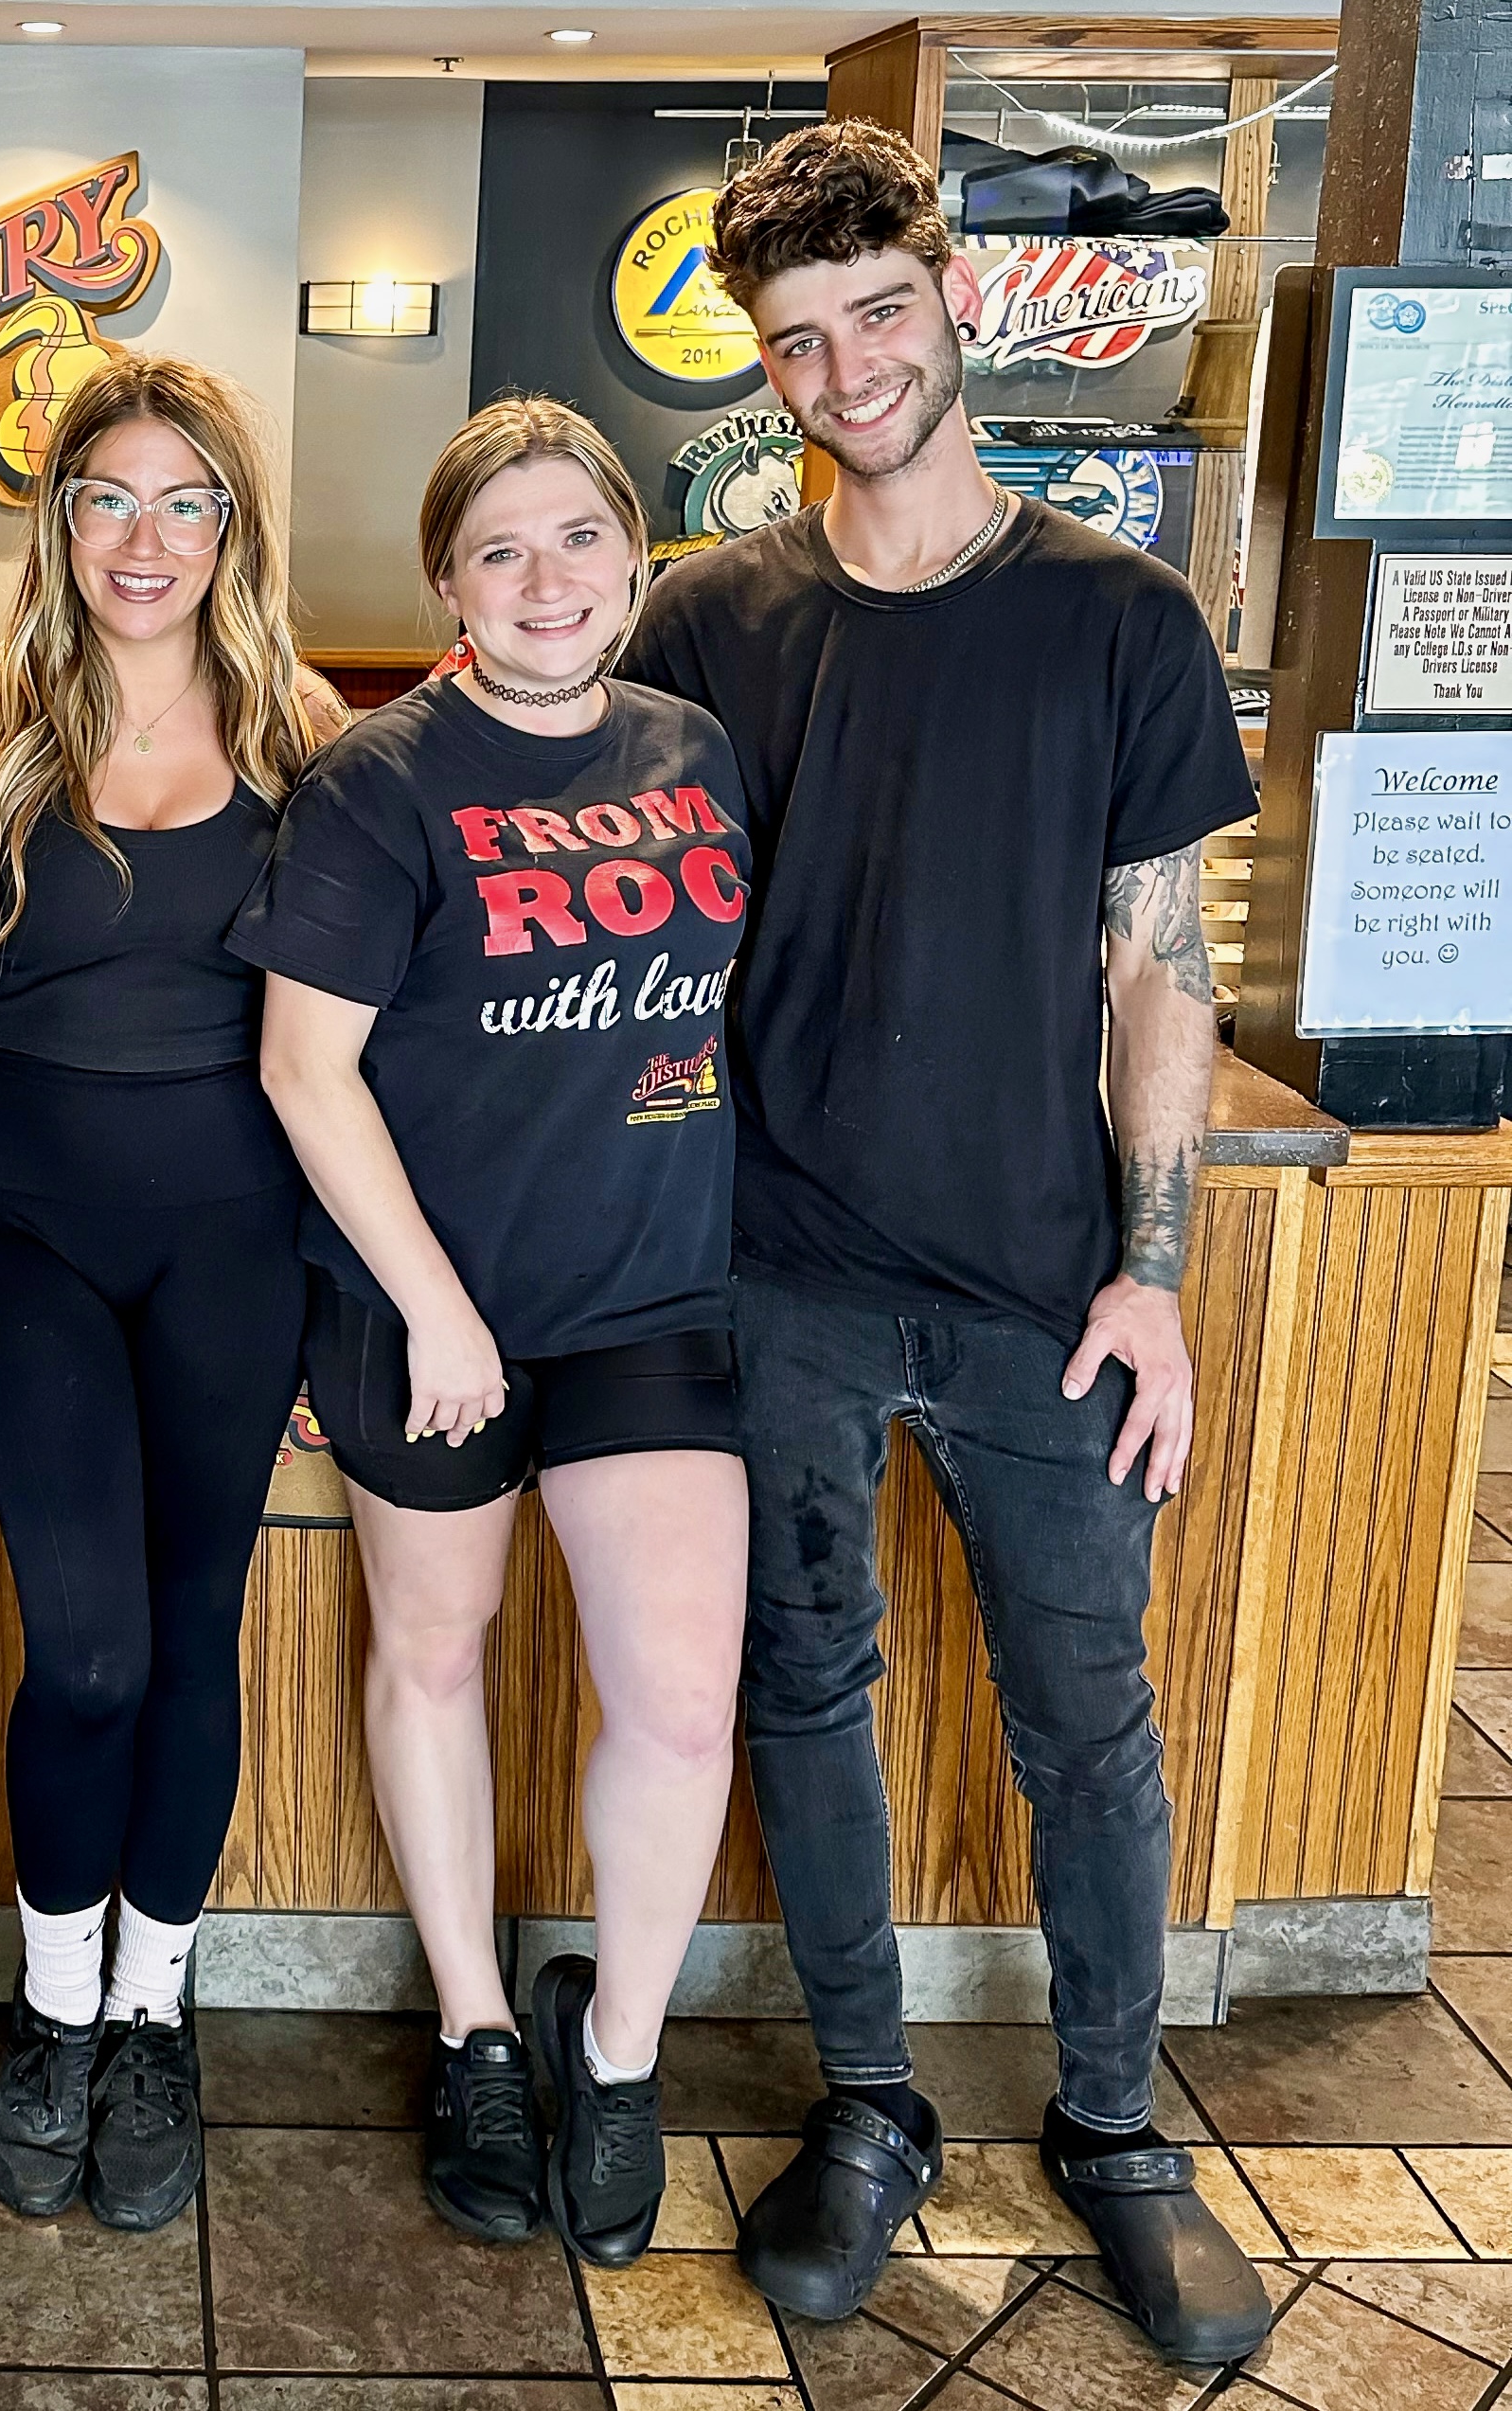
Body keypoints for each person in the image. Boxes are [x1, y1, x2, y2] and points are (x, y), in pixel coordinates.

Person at [616, 120, 1269, 2364]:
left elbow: (1158, 962)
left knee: (1090, 1725)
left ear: (952, 297)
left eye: (878, 310)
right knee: (808, 1694)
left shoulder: (1120, 616)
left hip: (1040, 1284)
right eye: (798, 340)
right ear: (767, 367)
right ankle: (872, 2103)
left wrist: (1154, 1268)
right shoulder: (707, 620)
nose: (847, 365)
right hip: (773, 1270)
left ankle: (1117, 2131)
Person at [234, 397, 753, 2261]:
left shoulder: (696, 750)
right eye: (502, 549)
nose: (549, 579)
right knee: (434, 1656)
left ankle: (614, 2047)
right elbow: (307, 1067)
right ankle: (469, 2020)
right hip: (420, 1313)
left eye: (580, 537)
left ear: (632, 555)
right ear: (450, 583)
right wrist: (436, 1310)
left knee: (683, 1693)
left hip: (649, 1300)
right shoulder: (380, 780)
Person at [0, 354, 345, 2232]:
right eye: (110, 496)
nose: (146, 537)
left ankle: (153, 2012)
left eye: (187, 500)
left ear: (231, 526)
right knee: (85, 1644)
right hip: (22, 1218)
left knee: (193, 1627)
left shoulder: (307, 735)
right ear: (60, 518)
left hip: (239, 1233)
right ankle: (54, 2007)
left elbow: (375, 1033)